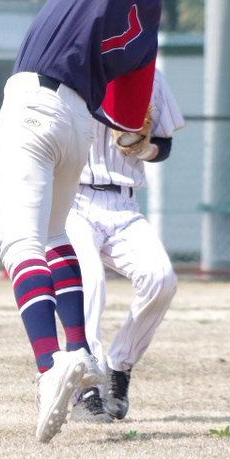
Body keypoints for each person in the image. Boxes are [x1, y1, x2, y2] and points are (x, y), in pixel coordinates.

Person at [0, 0, 208, 443]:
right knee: (58, 240)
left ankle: (51, 366)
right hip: (77, 128)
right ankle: (82, 352)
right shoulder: (151, 28)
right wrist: (139, 137)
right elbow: (128, 117)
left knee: (22, 246)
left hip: (35, 103)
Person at [65, 68, 184, 423]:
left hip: (123, 202)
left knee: (161, 279)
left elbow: (164, 144)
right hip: (73, 199)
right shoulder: (70, 72)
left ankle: (119, 364)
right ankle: (85, 388)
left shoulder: (150, 76)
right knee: (89, 284)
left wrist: (146, 148)